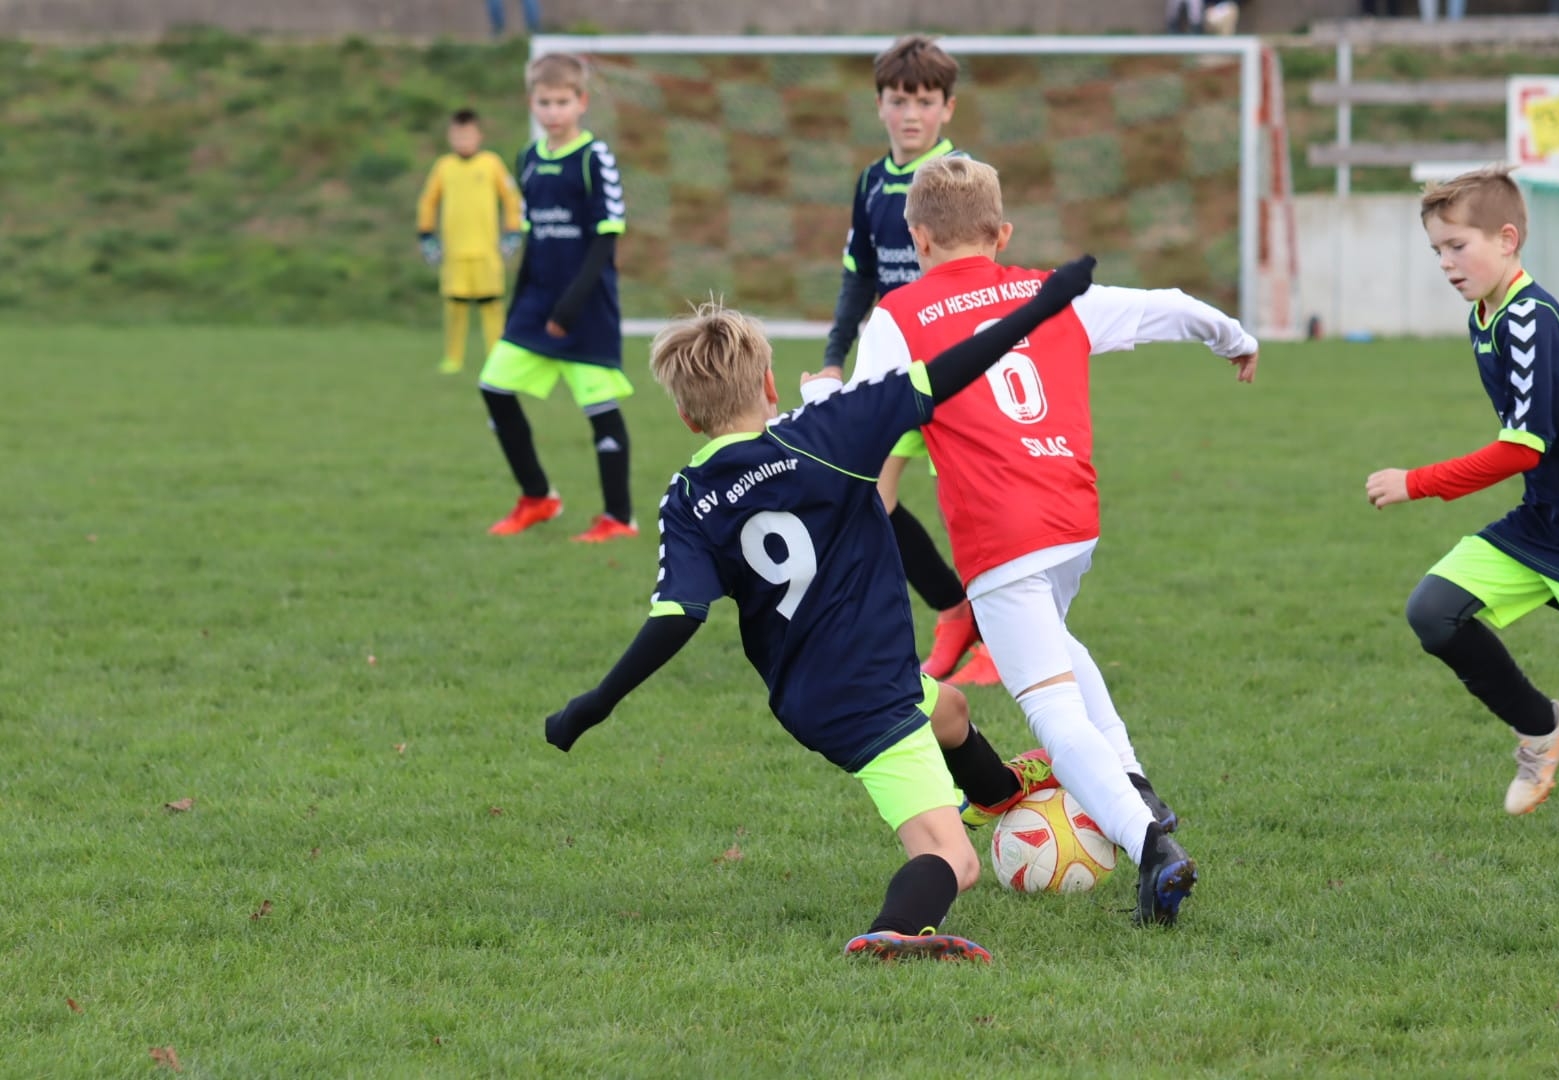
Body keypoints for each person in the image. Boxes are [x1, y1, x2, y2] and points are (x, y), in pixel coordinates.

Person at [544, 259, 1099, 960]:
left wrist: (593, 704)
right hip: (869, 694)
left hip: (807, 693)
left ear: (687, 416)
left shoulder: (688, 497)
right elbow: (950, 369)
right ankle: (897, 930)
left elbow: (677, 615)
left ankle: (996, 791)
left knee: (951, 709)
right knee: (951, 859)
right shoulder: (830, 430)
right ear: (771, 385)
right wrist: (1045, 303)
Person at [812, 156, 1264, 925]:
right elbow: (1168, 306)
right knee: (1055, 641)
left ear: (917, 239)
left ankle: (1151, 845)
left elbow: (864, 423)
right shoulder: (1051, 292)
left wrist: (819, 403)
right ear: (1002, 233)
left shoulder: (900, 314)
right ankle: (1131, 778)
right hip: (1072, 520)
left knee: (1052, 714)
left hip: (1000, 536)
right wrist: (1235, 337)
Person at [1366, 166, 1559, 815]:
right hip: (1545, 520)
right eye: (1437, 250)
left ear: (1507, 239)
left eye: (1458, 245)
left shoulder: (1528, 316)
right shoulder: (1491, 313)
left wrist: (1415, 482)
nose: (1446, 263)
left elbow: (1520, 449)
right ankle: (1544, 730)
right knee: (1434, 612)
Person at [816, 34, 998, 688]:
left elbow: (986, 272)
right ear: (880, 105)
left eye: (924, 101)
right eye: (899, 100)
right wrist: (834, 358)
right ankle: (954, 610)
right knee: (869, 493)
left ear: (948, 108)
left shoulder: (962, 177)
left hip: (958, 366)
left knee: (972, 509)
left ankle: (997, 639)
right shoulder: (871, 182)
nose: (911, 114)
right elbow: (859, 278)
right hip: (895, 367)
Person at [482, 54, 636, 543]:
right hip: (535, 305)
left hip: (585, 307)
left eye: (562, 102)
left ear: (581, 102)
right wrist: (518, 307)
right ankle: (538, 497)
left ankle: (619, 518)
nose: (553, 111)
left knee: (599, 408)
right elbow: (534, 239)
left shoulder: (594, 158)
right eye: (545, 102)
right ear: (532, 102)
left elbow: (606, 238)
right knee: (494, 387)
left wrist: (570, 307)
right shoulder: (527, 159)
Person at [415, 109, 525, 377]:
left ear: (479, 136)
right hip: (454, 252)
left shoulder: (491, 164)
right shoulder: (444, 167)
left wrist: (512, 231)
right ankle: (453, 358)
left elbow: (511, 198)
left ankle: (496, 358)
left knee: (492, 305)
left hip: (487, 251)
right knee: (455, 306)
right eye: (457, 136)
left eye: (467, 136)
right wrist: (426, 235)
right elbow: (428, 201)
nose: (463, 141)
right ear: (450, 137)